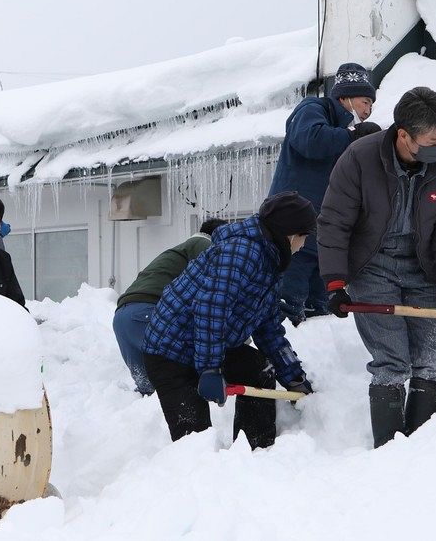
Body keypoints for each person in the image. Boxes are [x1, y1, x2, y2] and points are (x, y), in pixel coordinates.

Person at [317, 87, 436, 449]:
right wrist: (334, 283)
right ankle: (390, 455)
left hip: (421, 268)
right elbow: (333, 223)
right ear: (403, 134)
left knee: (435, 360)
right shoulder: (359, 158)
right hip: (371, 266)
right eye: (431, 140)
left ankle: (422, 451)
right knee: (392, 362)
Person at [142, 192, 316, 450]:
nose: (303, 246)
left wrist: (293, 376)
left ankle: (257, 451)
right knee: (195, 442)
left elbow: (268, 327)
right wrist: (210, 369)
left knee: (259, 370)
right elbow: (211, 307)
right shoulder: (242, 252)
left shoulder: (270, 262)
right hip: (171, 350)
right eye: (304, 237)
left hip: (205, 344)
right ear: (290, 234)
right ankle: (199, 479)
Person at [268, 62, 381, 325]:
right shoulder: (313, 109)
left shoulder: (345, 136)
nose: (368, 110)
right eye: (365, 101)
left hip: (324, 229)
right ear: (346, 97)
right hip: (293, 224)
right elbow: (310, 140)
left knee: (319, 306)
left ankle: (314, 348)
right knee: (288, 299)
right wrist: (352, 136)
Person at [113, 218, 227, 395]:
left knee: (149, 390)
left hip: (123, 318)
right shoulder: (203, 244)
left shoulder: (178, 250)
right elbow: (219, 287)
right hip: (149, 311)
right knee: (181, 377)